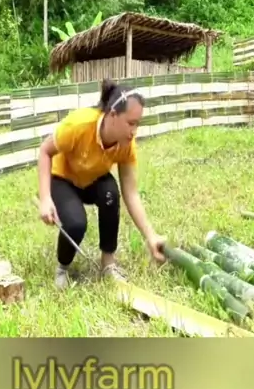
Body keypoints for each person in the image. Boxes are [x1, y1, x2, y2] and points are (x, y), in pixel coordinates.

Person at [37, 78, 167, 289]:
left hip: (93, 179)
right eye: (130, 123)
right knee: (76, 223)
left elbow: (131, 194)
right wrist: (45, 198)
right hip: (63, 178)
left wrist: (150, 236)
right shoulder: (78, 125)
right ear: (113, 115)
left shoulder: (127, 145)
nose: (134, 131)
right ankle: (62, 268)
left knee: (110, 194)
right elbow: (45, 151)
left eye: (138, 124)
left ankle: (108, 263)